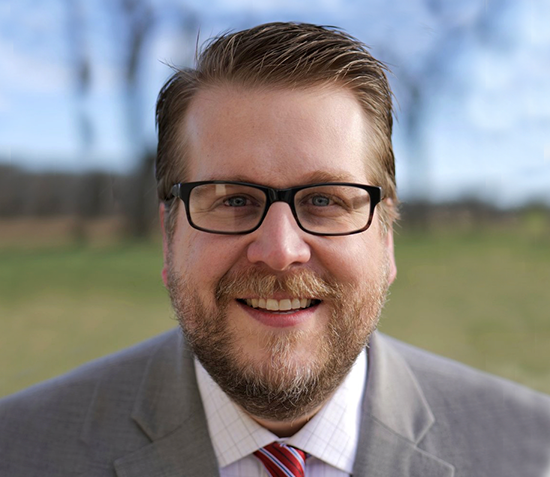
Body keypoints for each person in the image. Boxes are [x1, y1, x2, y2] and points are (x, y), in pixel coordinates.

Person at [1, 22, 549, 477]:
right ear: (169, 238)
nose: (280, 250)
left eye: (325, 200)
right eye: (234, 199)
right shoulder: (19, 450)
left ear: (385, 238)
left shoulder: (531, 449)